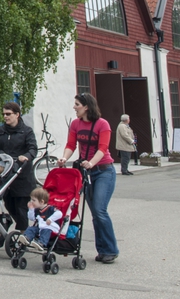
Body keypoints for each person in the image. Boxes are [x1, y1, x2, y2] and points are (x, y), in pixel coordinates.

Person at [57, 93, 117, 263]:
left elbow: (103, 148)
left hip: (104, 170)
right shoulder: (76, 124)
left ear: (86, 107)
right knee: (95, 213)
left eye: (77, 104)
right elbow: (71, 145)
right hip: (87, 172)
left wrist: (91, 163)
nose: (74, 107)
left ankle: (111, 250)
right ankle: (103, 251)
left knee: (99, 210)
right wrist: (64, 158)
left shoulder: (102, 124)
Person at [0, 102, 37, 233]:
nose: (5, 116)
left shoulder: (26, 131)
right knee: (10, 205)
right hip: (6, 175)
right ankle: (24, 232)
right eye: (4, 114)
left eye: (8, 114)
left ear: (17, 114)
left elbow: (33, 149)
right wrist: (3, 155)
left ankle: (23, 234)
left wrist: (26, 156)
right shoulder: (1, 131)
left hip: (22, 176)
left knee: (21, 209)